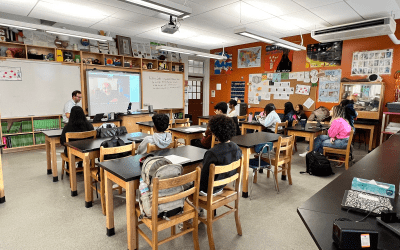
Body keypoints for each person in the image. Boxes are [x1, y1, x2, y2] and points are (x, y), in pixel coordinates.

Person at [200, 115, 242, 195]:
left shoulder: (212, 153)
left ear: (215, 133)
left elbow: (203, 180)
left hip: (208, 191)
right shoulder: (237, 148)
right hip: (222, 185)